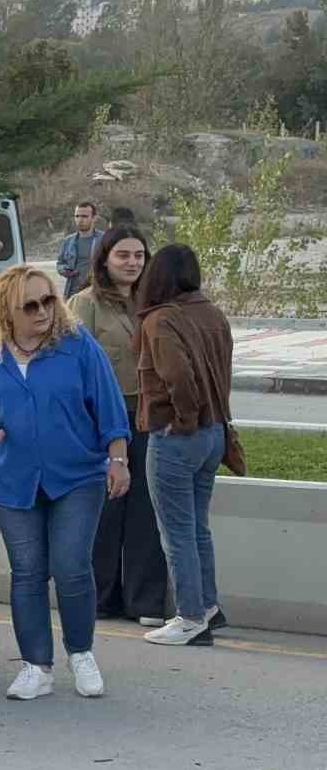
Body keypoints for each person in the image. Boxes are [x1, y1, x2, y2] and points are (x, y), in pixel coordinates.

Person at [0, 265, 130, 700]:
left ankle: (82, 654)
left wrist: (118, 458)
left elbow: (108, 404)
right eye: (29, 305)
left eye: (48, 300)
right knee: (27, 574)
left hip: (77, 476)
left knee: (70, 568)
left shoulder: (76, 345)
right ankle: (36, 666)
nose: (43, 311)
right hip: (15, 479)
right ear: (6, 311)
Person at [136, 244, 236, 647]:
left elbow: (177, 375)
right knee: (197, 528)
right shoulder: (213, 313)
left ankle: (190, 617)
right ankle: (208, 606)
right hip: (214, 434)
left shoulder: (159, 320)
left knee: (175, 532)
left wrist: (184, 421)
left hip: (178, 436)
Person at [70, 228, 169, 628]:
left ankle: (145, 601)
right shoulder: (85, 303)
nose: (132, 263)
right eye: (123, 255)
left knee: (148, 506)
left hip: (149, 415)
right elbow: (72, 365)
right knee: (106, 506)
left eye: (139, 256)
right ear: (105, 259)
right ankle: (98, 596)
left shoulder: (155, 304)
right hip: (102, 419)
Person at [57, 202, 102, 299]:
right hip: (72, 294)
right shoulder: (68, 241)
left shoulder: (104, 239)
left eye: (84, 216)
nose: (80, 220)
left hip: (97, 293)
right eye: (77, 216)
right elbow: (60, 263)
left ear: (94, 218)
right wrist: (64, 270)